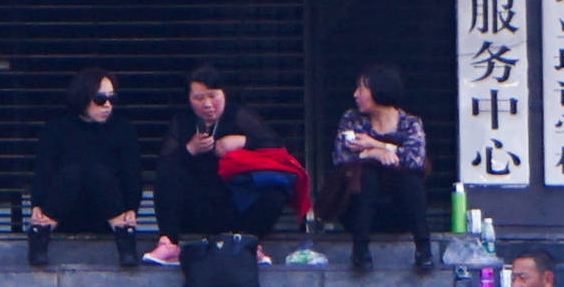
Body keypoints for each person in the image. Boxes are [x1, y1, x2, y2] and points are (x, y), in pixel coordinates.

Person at [24, 73, 152, 267]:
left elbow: (132, 174)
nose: (108, 105)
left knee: (97, 172)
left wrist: (132, 209)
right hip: (65, 211)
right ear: (83, 98)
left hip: (108, 213)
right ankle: (40, 236)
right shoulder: (57, 129)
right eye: (100, 99)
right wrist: (37, 206)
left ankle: (125, 239)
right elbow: (44, 170)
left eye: (112, 99)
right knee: (73, 172)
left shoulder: (122, 130)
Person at [155, 70, 289, 247]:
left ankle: (251, 243)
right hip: (197, 204)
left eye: (213, 96)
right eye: (199, 98)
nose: (207, 104)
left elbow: (276, 147)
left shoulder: (240, 116)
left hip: (234, 202)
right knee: (168, 176)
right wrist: (190, 149)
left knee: (274, 192)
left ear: (224, 94)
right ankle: (169, 243)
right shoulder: (182, 121)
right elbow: (164, 165)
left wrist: (244, 141)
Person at [321, 71, 432, 273]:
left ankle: (423, 249)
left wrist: (376, 145)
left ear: (380, 91)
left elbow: (415, 159)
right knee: (368, 175)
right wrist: (373, 154)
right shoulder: (352, 120)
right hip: (357, 213)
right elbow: (341, 157)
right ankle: (360, 251)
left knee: (408, 177)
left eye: (361, 88)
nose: (355, 94)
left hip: (399, 212)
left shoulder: (410, 123)